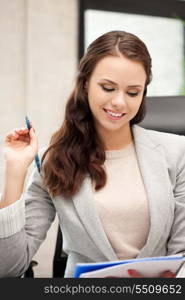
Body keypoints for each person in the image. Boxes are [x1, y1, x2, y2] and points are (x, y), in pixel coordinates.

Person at [0, 30, 185, 278]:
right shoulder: (54, 161)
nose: (120, 102)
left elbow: (182, 254)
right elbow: (8, 269)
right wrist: (14, 171)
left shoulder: (177, 153)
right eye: (108, 87)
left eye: (133, 93)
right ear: (86, 83)